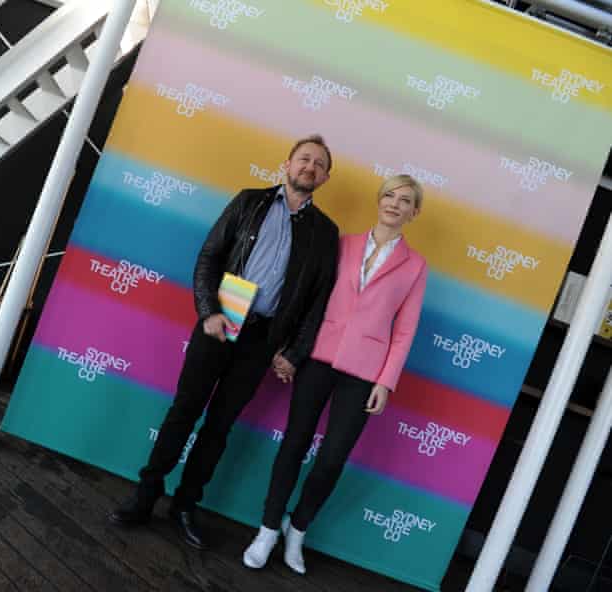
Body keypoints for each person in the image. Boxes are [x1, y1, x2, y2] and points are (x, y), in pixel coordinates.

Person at [108, 135, 340, 550]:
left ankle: (185, 504)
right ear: (287, 163)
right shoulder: (249, 201)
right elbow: (209, 257)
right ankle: (145, 495)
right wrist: (206, 310)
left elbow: (317, 303)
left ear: (324, 178)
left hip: (262, 340)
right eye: (304, 159)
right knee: (184, 411)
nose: (309, 167)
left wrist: (294, 351)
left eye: (319, 164)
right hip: (219, 322)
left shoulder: (326, 233)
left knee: (219, 426)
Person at [242, 174, 428, 574]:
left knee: (332, 458)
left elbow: (406, 329)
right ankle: (268, 528)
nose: (395, 204)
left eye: (405, 200)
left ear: (415, 212)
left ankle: (298, 530)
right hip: (317, 357)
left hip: (365, 371)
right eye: (390, 196)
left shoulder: (415, 266)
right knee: (294, 444)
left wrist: (385, 381)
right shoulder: (344, 245)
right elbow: (312, 299)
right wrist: (292, 349)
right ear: (380, 201)